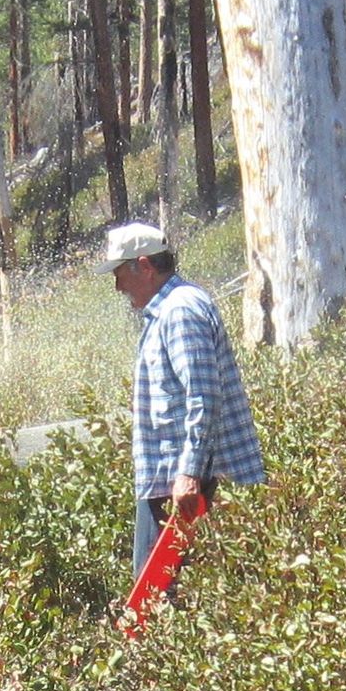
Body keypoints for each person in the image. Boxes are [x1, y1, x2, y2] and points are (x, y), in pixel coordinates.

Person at [105, 222, 263, 581]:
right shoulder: (171, 310)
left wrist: (189, 475)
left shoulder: (179, 311)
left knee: (159, 607)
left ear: (144, 266)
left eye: (119, 274)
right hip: (178, 487)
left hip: (187, 490)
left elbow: (203, 396)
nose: (117, 287)